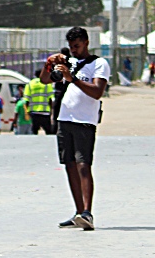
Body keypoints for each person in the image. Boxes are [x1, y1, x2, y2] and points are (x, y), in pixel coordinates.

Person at [41, 26, 110, 231]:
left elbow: (97, 92)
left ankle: (88, 212)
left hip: (84, 121)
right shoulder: (68, 62)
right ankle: (79, 212)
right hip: (64, 119)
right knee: (69, 164)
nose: (74, 50)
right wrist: (49, 65)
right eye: (71, 47)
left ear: (86, 43)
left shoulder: (99, 63)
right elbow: (45, 80)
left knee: (83, 165)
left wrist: (73, 79)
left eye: (77, 46)